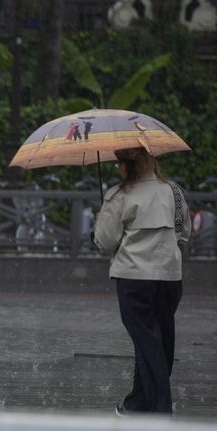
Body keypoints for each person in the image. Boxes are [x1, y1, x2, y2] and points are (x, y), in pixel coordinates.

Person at [93, 147, 191, 415]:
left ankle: (160, 410)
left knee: (147, 341)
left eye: (119, 164)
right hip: (170, 277)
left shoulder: (119, 195)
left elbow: (105, 242)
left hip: (133, 278)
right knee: (161, 339)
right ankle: (138, 402)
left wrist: (101, 217)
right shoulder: (174, 192)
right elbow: (183, 233)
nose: (117, 169)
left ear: (128, 166)